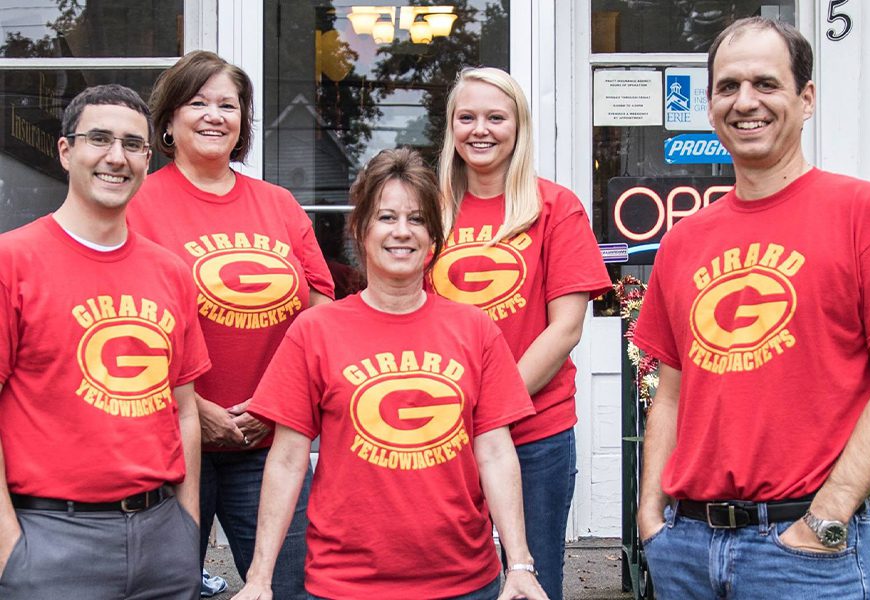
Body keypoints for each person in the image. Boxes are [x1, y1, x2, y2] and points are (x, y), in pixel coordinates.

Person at [633, 17, 870, 599]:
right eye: (727, 87)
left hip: (804, 553)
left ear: (806, 100)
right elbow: (671, 393)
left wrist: (826, 517)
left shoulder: (867, 214)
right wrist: (651, 516)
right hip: (687, 548)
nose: (744, 102)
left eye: (765, 83)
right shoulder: (684, 241)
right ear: (708, 106)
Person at [232, 148, 548, 600]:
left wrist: (518, 563)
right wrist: (260, 577)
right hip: (345, 585)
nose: (402, 232)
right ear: (360, 230)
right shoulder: (316, 330)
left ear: (434, 239)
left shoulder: (474, 329)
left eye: (417, 220)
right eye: (386, 217)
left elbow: (495, 451)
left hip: (463, 582)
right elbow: (286, 459)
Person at [127, 50, 334, 598]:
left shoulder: (279, 204)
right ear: (169, 119)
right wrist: (192, 407)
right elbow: (122, 325)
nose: (214, 115)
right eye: (198, 103)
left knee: (297, 587)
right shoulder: (136, 203)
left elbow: (321, 316)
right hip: (169, 443)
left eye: (228, 104)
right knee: (166, 590)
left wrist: (277, 406)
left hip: (267, 446)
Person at [0, 84, 210, 599]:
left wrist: (187, 524)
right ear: (66, 150)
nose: (116, 157)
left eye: (133, 144)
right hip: (50, 539)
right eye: (99, 139)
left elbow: (184, 409)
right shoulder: (12, 262)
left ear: (146, 158)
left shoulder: (170, 272)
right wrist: (10, 548)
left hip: (164, 539)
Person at [426, 67, 611, 600]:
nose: (480, 130)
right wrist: (457, 409)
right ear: (451, 127)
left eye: (495, 117)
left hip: (535, 432)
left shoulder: (555, 206)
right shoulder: (428, 210)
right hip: (440, 429)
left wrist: (491, 405)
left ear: (518, 126)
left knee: (530, 578)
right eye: (467, 117)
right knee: (446, 580)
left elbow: (567, 327)